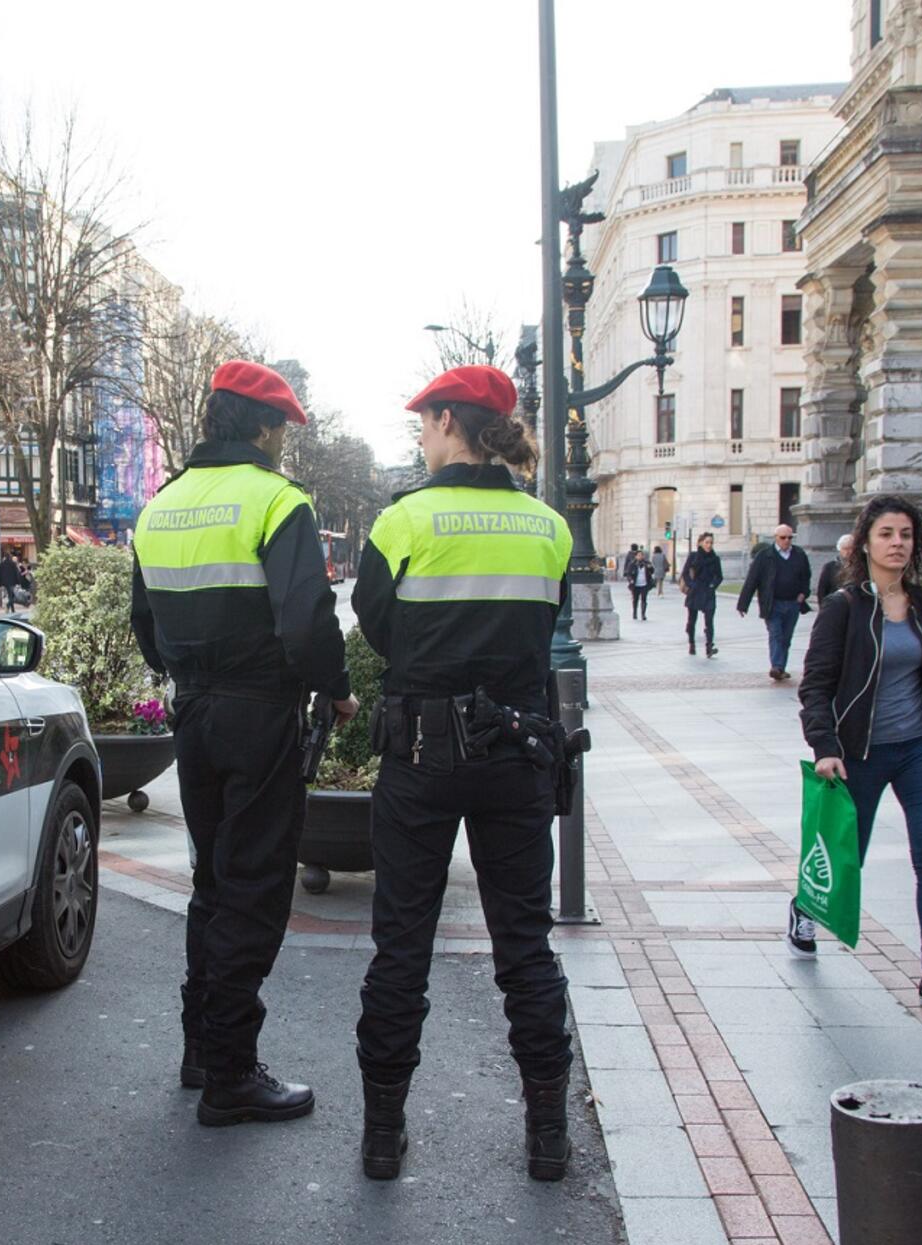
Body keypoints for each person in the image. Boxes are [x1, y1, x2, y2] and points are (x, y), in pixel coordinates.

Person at [353, 364, 575, 1184]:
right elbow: (545, 625)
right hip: (517, 753)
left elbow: (376, 626)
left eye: (424, 422)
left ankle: (383, 1136)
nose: (421, 436)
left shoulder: (403, 519)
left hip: (421, 754)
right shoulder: (548, 526)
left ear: (450, 422)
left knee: (401, 946)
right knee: (525, 945)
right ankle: (547, 1135)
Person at [131, 359, 353, 1126]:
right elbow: (307, 621)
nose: (284, 441)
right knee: (254, 887)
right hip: (260, 713)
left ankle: (201, 1047)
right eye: (282, 428)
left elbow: (144, 624)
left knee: (214, 883)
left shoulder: (160, 506)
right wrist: (337, 686)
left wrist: (189, 673)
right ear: (263, 427)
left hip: (193, 712)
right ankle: (231, 1071)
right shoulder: (278, 500)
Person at [797, 494, 922, 1014]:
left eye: (905, 535)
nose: (897, 543)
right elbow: (815, 686)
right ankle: (803, 910)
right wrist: (826, 746)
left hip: (920, 750)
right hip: (860, 754)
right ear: (865, 543)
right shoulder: (844, 608)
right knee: (845, 856)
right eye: (886, 534)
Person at [737, 524, 811, 681]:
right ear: (776, 538)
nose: (786, 541)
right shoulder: (765, 556)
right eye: (783, 537)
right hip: (772, 603)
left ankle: (781, 667)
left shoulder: (799, 554)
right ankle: (776, 666)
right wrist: (743, 604)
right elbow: (752, 580)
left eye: (790, 537)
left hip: (792, 603)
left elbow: (806, 576)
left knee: (786, 637)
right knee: (776, 634)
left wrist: (804, 593)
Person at [681, 532, 722, 657]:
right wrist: (691, 584)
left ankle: (709, 646)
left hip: (708, 592)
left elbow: (719, 576)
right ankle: (691, 643)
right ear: (700, 543)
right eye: (707, 542)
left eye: (711, 543)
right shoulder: (693, 556)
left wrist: (713, 585)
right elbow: (685, 573)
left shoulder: (715, 558)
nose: (709, 545)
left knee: (709, 621)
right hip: (695, 591)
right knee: (692, 620)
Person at [816, 534, 852, 607]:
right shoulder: (830, 567)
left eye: (851, 548)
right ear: (840, 549)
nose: (848, 552)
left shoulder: (860, 566)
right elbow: (822, 590)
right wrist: (823, 607)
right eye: (845, 549)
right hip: (835, 604)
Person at [626, 549, 653, 620]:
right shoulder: (632, 564)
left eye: (641, 555)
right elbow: (628, 574)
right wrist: (630, 580)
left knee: (644, 599)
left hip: (644, 584)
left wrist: (650, 567)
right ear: (636, 556)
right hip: (635, 585)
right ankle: (635, 612)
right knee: (635, 599)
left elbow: (652, 571)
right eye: (639, 555)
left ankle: (643, 614)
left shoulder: (647, 563)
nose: (640, 556)